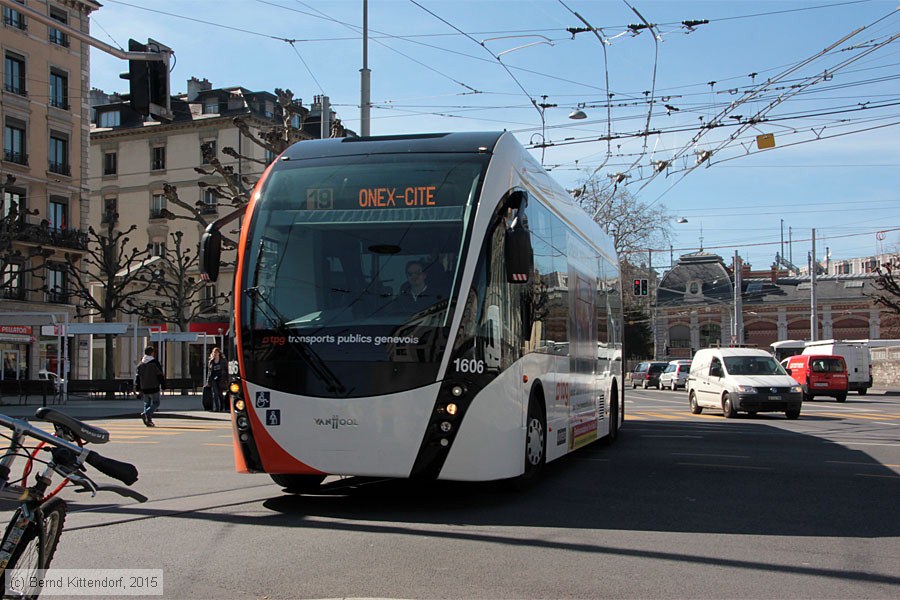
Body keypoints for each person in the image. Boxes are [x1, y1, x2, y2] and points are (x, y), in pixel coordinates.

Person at [135, 346, 166, 427]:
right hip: (154, 387)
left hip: (144, 387)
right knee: (156, 403)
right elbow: (160, 375)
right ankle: (146, 413)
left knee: (147, 404)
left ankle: (148, 421)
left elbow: (137, 377)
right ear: (152, 353)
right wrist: (163, 385)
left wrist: (138, 388)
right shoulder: (154, 363)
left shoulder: (140, 364)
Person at [207, 347, 225, 412]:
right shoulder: (211, 362)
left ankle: (222, 407)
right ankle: (217, 408)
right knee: (215, 393)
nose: (215, 354)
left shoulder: (222, 361)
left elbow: (226, 369)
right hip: (213, 378)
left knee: (220, 394)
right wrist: (208, 381)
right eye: (214, 352)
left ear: (219, 353)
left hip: (221, 379)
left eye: (216, 352)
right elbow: (209, 372)